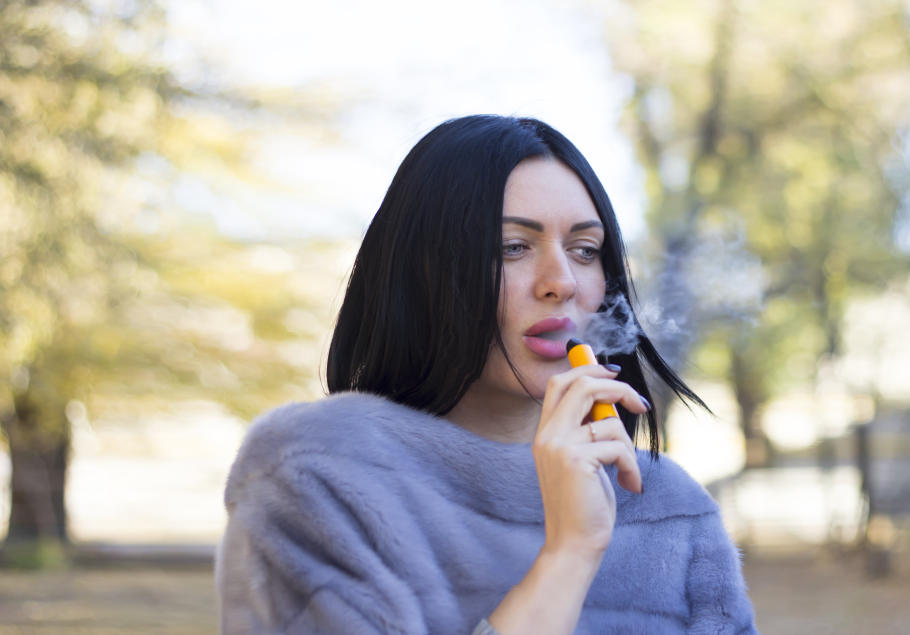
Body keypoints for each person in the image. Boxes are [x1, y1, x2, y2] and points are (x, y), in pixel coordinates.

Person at [215, 115, 758, 634]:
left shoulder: (668, 506)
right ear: (423, 273)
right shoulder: (317, 476)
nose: (561, 282)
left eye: (585, 250)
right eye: (513, 248)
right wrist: (569, 555)